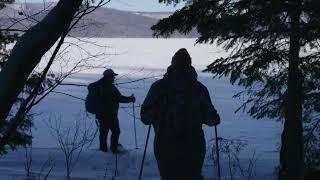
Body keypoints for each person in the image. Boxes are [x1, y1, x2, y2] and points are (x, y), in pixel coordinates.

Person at [140, 48, 220, 180]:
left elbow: (145, 117)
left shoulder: (158, 87)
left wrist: (157, 113)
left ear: (172, 64)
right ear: (190, 65)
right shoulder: (199, 88)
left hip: (165, 142)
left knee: (169, 177)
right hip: (193, 143)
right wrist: (214, 118)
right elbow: (210, 118)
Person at [90, 69, 135, 153]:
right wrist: (130, 99)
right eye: (113, 76)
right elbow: (119, 98)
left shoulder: (99, 85)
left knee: (103, 132)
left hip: (101, 114)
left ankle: (103, 150)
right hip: (110, 114)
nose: (114, 78)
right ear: (109, 77)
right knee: (116, 131)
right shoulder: (109, 87)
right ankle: (114, 149)